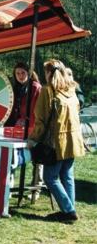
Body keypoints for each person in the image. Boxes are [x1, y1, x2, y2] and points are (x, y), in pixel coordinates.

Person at [28, 59, 85, 222]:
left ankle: (69, 210)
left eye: (46, 71)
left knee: (50, 177)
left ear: (49, 73)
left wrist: (33, 138)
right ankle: (69, 211)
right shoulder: (71, 90)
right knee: (67, 175)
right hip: (73, 141)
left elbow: (41, 120)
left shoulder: (48, 91)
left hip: (57, 143)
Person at [5, 62, 42, 198]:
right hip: (17, 128)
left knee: (37, 159)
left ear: (29, 73)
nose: (20, 76)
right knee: (12, 155)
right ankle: (9, 187)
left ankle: (35, 190)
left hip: (34, 128)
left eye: (23, 73)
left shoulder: (35, 88)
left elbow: (37, 110)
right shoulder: (15, 88)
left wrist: (26, 121)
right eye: (18, 73)